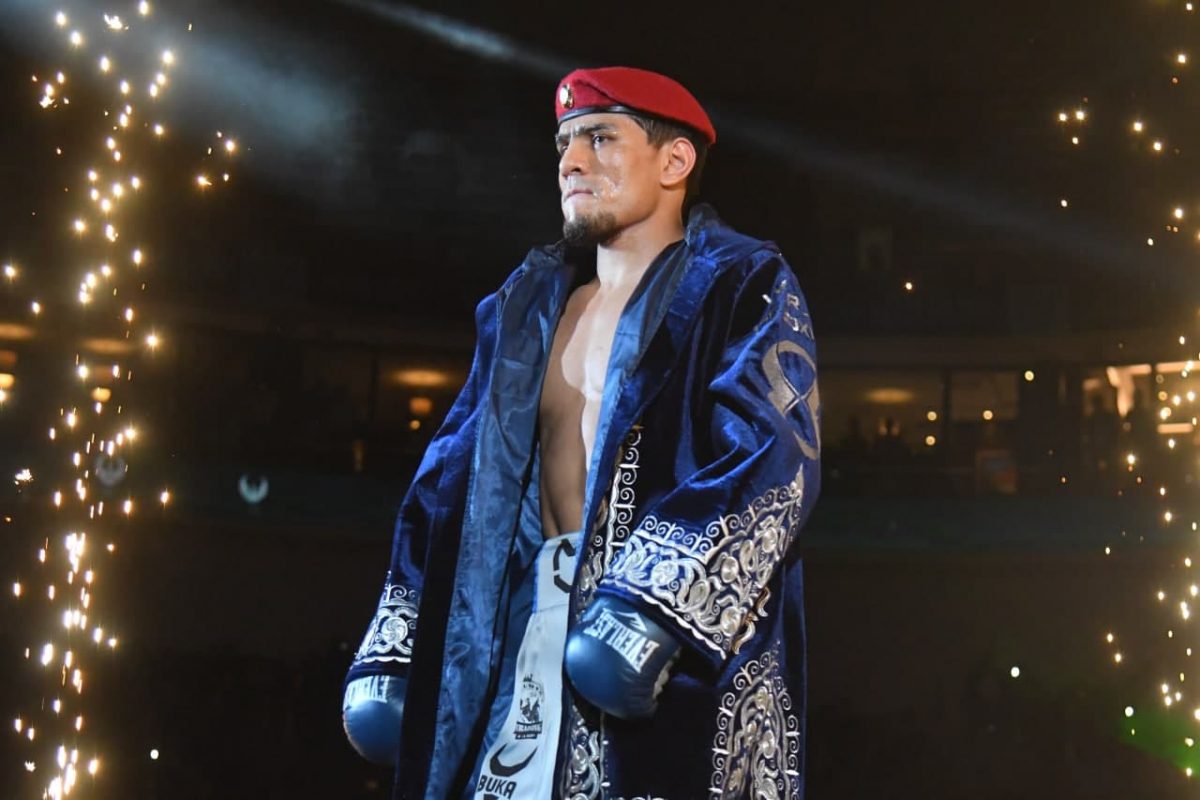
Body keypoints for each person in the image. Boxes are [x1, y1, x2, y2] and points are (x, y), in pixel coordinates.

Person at [342, 66, 822, 799]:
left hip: (672, 654)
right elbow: (445, 481)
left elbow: (772, 452)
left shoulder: (740, 282)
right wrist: (399, 645)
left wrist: (652, 608)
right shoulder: (523, 308)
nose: (570, 161)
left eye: (599, 138)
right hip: (520, 646)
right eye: (564, 144)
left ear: (674, 160)